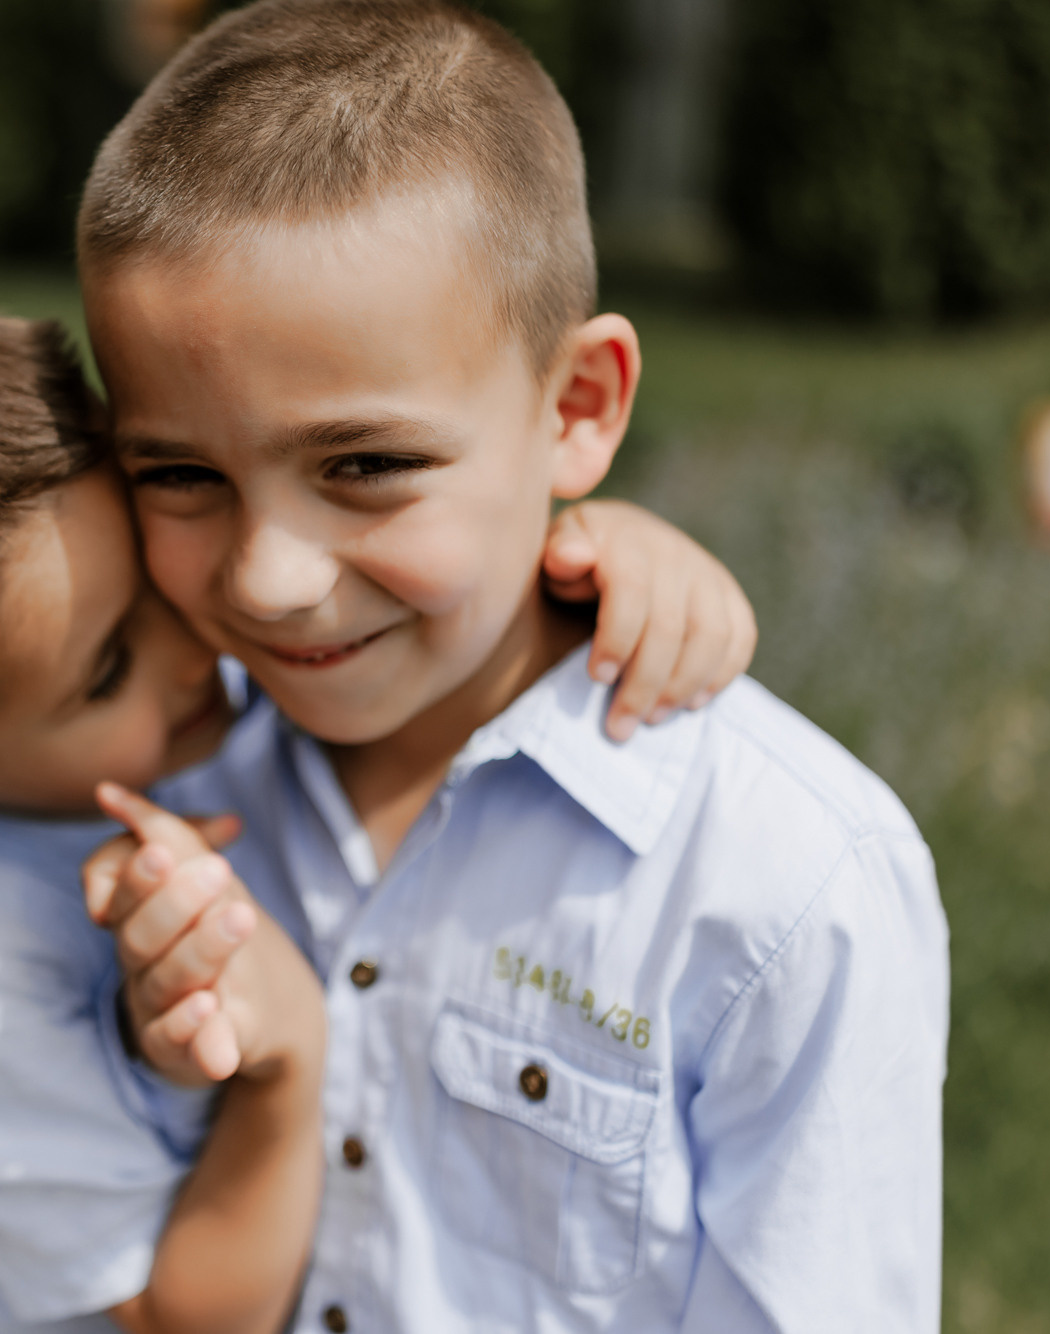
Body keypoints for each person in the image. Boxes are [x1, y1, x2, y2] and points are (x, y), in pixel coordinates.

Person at [0, 268, 757, 1333]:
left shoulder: (95, 710)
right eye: (108, 666)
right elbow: (185, 1317)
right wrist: (285, 1058)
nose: (208, 643)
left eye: (150, 574)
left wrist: (586, 554)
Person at [75, 2, 950, 1330]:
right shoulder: (166, 770)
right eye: (181, 474)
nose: (266, 575)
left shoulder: (786, 884)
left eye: (364, 466)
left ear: (579, 408)